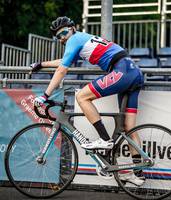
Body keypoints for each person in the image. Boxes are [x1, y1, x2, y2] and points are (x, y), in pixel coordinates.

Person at [31, 16, 145, 186]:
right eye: (58, 36)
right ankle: (138, 173)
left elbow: (62, 70)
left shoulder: (74, 39)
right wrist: (41, 64)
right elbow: (64, 61)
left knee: (82, 96)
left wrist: (45, 95)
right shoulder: (81, 38)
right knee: (129, 128)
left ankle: (106, 140)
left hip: (121, 71)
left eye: (63, 32)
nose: (62, 37)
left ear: (72, 28)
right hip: (133, 72)